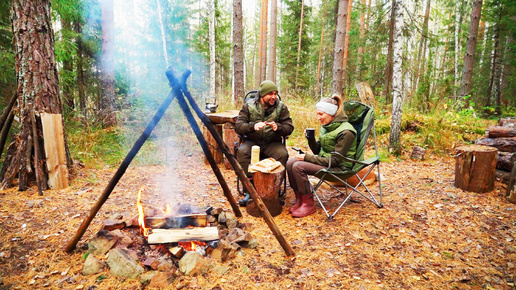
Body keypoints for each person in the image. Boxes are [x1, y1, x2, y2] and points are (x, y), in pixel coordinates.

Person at [286, 94, 357, 218]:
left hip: (339, 168)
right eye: (317, 114)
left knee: (298, 166)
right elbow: (319, 151)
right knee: (290, 162)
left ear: (331, 113)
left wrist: (307, 157)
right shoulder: (328, 126)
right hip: (328, 162)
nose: (318, 118)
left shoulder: (346, 132)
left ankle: (308, 204)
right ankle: (300, 199)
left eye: (321, 114)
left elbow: (335, 160)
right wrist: (311, 139)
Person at [235, 80, 294, 204]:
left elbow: (289, 128)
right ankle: (250, 190)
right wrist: (252, 126)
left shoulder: (281, 107)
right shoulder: (248, 106)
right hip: (252, 142)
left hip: (273, 142)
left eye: (275, 94)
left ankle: (274, 190)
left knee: (282, 154)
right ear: (262, 95)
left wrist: (278, 127)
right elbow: (239, 126)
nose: (273, 97)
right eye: (270, 94)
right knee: (243, 151)